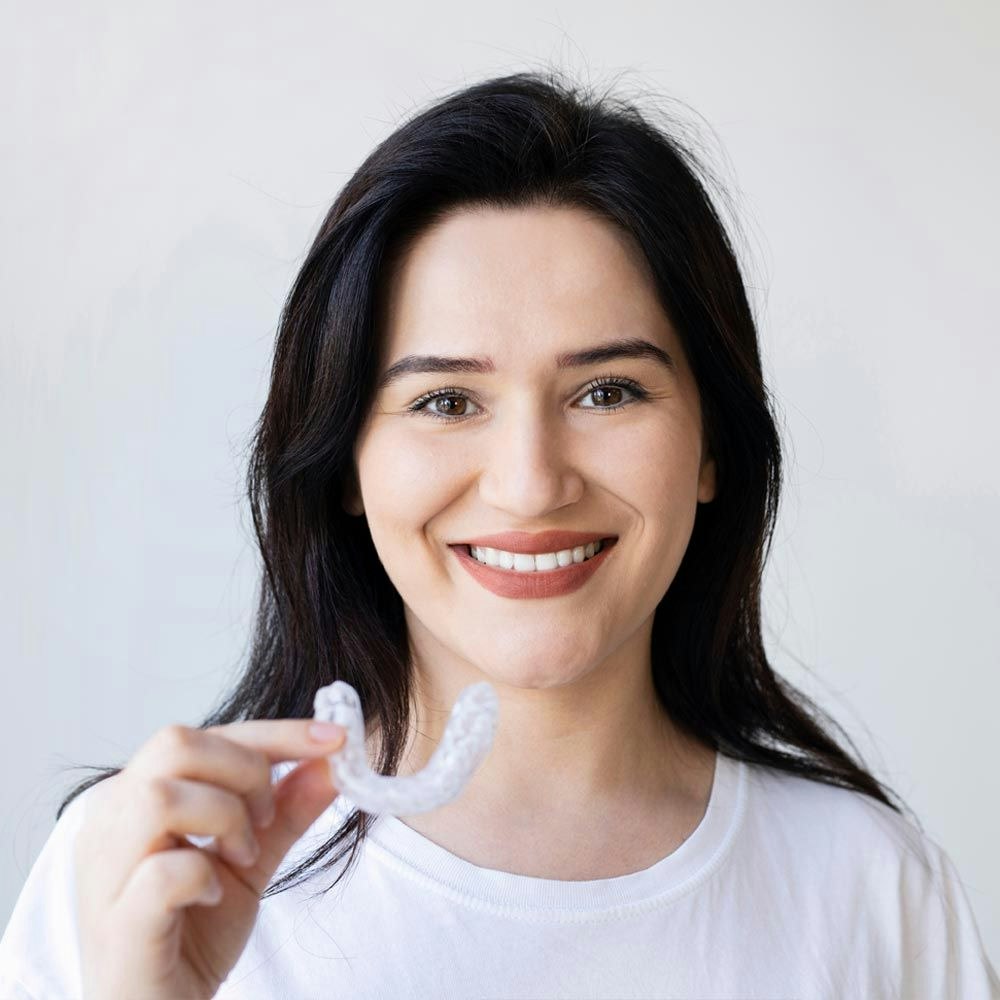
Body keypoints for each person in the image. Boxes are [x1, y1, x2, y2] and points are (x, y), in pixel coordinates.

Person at [1, 69, 997, 1000]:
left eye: (607, 391)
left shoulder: (873, 894)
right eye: (445, 400)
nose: (530, 486)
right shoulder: (140, 875)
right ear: (346, 463)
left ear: (712, 449)